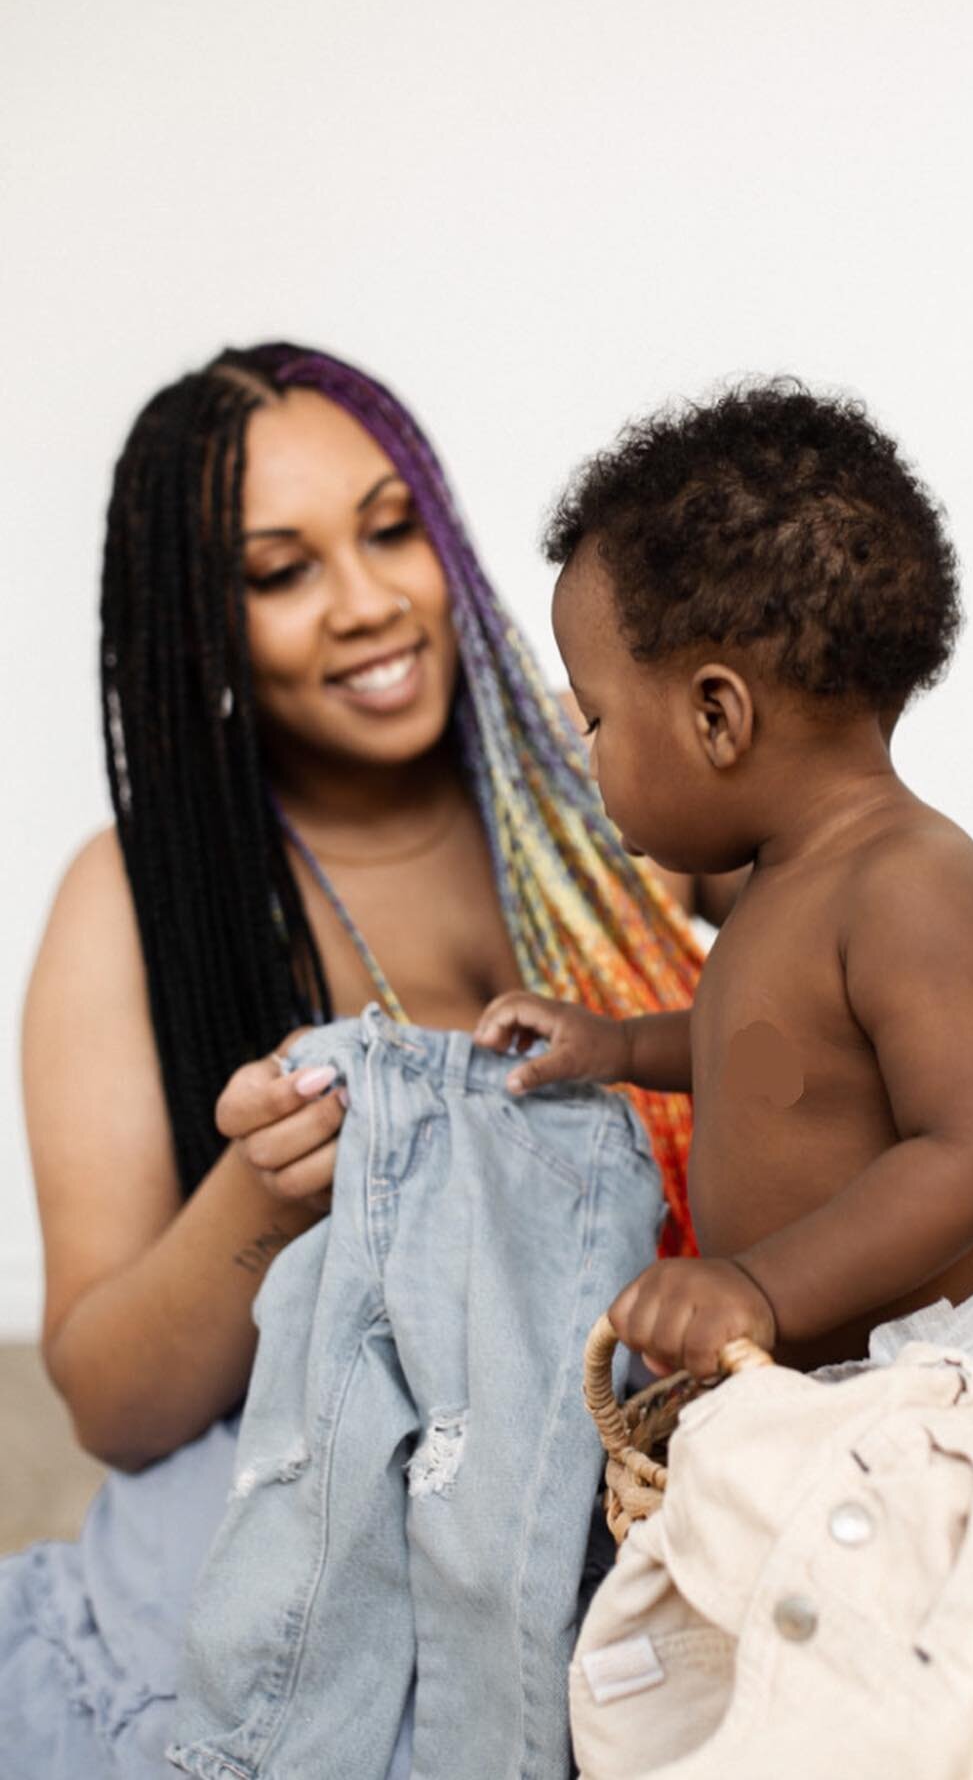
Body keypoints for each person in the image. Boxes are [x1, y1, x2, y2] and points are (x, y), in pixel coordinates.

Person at [7, 343, 703, 1776]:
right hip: (276, 1633)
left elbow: (914, 924)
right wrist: (262, 1202)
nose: (369, 599)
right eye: (282, 571)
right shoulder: (132, 902)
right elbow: (108, 1404)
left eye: (393, 531)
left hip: (628, 1568)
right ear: (198, 624)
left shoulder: (618, 799)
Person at [475, 381, 973, 1486]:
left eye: (598, 718)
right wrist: (615, 1050)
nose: (585, 753)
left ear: (717, 716)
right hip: (846, 1389)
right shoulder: (780, 883)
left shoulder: (910, 878)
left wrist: (761, 1285)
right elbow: (761, 1057)